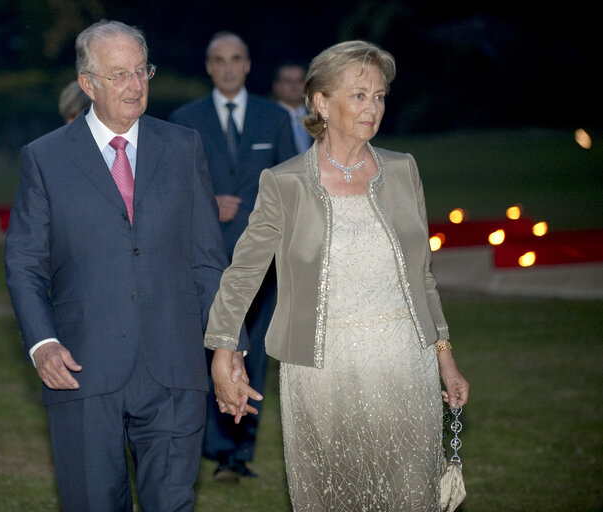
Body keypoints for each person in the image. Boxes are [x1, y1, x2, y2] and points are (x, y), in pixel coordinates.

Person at [205, 40, 470, 511]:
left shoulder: (403, 170)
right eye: (359, 95)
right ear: (321, 102)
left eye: (380, 96)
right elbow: (243, 273)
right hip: (320, 369)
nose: (373, 108)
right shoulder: (284, 183)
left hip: (404, 364)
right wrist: (226, 349)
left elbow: (422, 277)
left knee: (410, 494)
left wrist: (444, 357)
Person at [5, 20, 249, 511]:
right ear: (87, 83)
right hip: (82, 369)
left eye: (142, 71)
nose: (135, 86)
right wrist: (42, 342)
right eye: (118, 75)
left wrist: (230, 347)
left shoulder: (184, 148)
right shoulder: (46, 158)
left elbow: (207, 261)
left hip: (175, 369)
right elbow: (25, 262)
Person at [169, 31, 297, 481]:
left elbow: (291, 182)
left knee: (253, 351)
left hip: (261, 264)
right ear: (208, 66)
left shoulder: (274, 118)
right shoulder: (184, 121)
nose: (227, 67)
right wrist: (208, 202)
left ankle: (238, 454)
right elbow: (169, 190)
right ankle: (212, 446)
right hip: (202, 260)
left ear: (247, 65)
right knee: (208, 349)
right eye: (218, 59)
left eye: (236, 58)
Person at [272, 63, 313, 154]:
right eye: (288, 81)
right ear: (277, 86)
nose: (294, 86)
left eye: (299, 81)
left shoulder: (319, 115)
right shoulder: (267, 118)